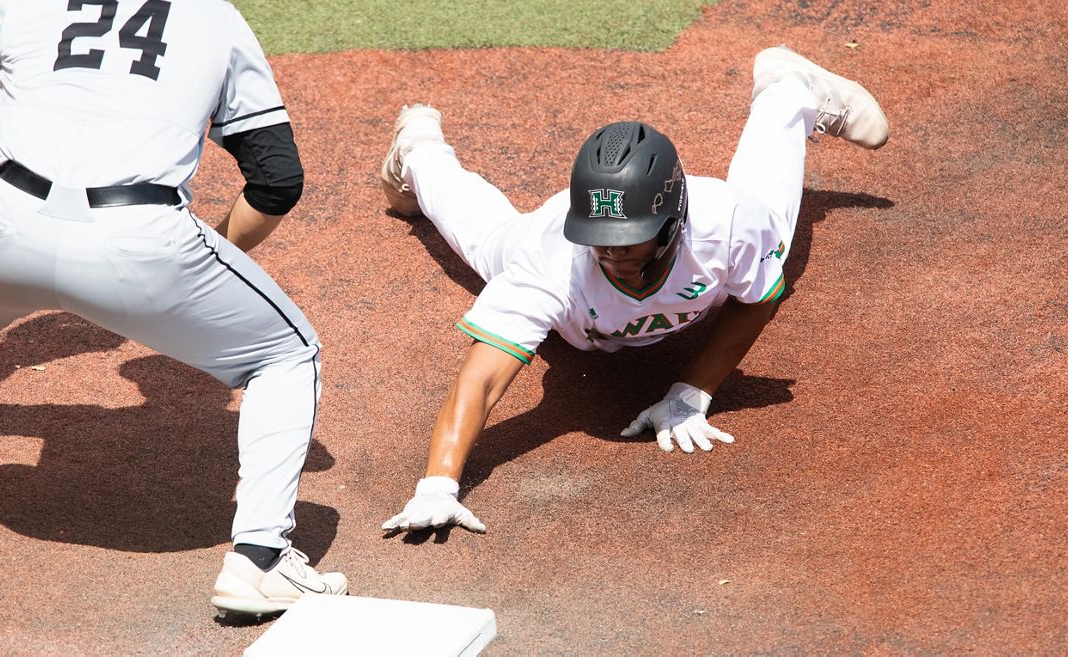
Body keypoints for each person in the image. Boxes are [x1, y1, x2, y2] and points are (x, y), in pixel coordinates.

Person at [0, 0, 346, 615]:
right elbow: (277, 178)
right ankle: (259, 559)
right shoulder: (215, 15)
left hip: (4, 226)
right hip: (141, 246)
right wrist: (206, 261)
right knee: (287, 353)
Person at [379, 46, 889, 534]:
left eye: (627, 241)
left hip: (719, 234)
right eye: (599, 239)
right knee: (486, 237)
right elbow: (482, 379)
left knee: (770, 224)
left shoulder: (726, 224)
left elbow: (759, 299)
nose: (611, 253)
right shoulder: (552, 258)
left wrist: (692, 392)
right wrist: (437, 486)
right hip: (566, 309)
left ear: (672, 224)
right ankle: (419, 152)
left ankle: (789, 89)